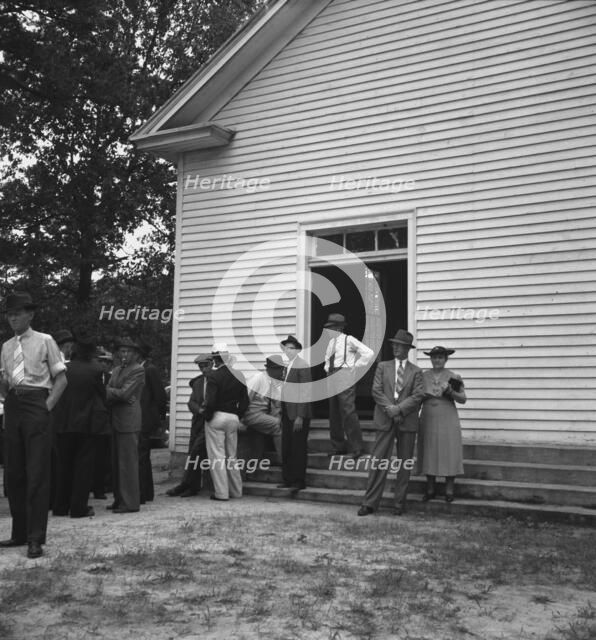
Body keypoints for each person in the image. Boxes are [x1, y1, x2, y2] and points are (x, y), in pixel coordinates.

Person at [0, 292, 67, 558]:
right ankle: (19, 532)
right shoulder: (5, 347)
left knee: (37, 472)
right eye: (9, 313)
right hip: (14, 406)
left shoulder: (45, 341)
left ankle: (35, 537)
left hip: (37, 403)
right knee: (14, 473)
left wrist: (45, 407)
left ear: (30, 314)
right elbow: (5, 382)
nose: (12, 317)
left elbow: (61, 379)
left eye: (17, 313)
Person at [358, 329, 423, 517]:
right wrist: (391, 409)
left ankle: (399, 503)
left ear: (407, 348)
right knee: (378, 461)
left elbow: (418, 395)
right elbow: (376, 391)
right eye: (394, 344)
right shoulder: (383, 367)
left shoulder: (416, 371)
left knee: (404, 463)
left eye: (399, 345)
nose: (395, 347)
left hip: (407, 420)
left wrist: (400, 409)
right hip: (385, 418)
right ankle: (369, 503)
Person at [52, 330, 109, 518]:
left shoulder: (64, 368)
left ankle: (60, 506)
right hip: (86, 424)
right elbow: (102, 396)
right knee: (83, 467)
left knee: (64, 466)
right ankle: (78, 507)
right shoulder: (95, 370)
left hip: (63, 423)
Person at [417, 346, 466, 503]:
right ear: (430, 359)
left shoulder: (453, 376)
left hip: (447, 416)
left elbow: (463, 399)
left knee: (448, 450)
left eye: (440, 357)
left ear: (446, 359)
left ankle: (449, 490)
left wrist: (451, 391)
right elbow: (416, 397)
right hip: (428, 415)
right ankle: (430, 489)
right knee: (429, 449)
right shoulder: (423, 376)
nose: (437, 360)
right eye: (434, 357)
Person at [323, 313, 374, 459]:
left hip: (344, 375)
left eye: (331, 328)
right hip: (331, 376)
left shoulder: (349, 340)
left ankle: (356, 447)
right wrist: (327, 370)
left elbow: (368, 353)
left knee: (348, 411)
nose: (329, 330)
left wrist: (355, 366)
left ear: (339, 328)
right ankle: (338, 446)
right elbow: (327, 360)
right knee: (334, 412)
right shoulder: (330, 343)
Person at [203, 343, 249, 501]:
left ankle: (221, 493)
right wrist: (238, 415)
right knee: (232, 456)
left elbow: (210, 402)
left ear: (215, 360)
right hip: (233, 418)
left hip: (217, 417)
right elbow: (245, 402)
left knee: (218, 457)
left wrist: (207, 417)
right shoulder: (239, 375)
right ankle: (236, 491)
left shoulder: (213, 376)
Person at [106, 337, 145, 513]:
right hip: (116, 419)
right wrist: (116, 393)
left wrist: (113, 392)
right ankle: (119, 499)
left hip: (129, 421)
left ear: (136, 354)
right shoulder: (115, 370)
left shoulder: (138, 369)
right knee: (116, 463)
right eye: (122, 351)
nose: (124, 354)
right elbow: (112, 392)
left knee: (128, 464)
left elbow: (124, 393)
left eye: (128, 351)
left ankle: (130, 503)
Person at [166, 353, 213, 497]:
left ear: (212, 364)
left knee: (195, 452)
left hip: (212, 421)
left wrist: (208, 410)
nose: (203, 369)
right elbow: (191, 402)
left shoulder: (218, 379)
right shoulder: (198, 382)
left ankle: (186, 484)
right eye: (201, 367)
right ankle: (192, 485)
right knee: (192, 451)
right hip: (198, 421)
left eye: (206, 366)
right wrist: (199, 410)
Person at [278, 335, 312, 490]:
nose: (289, 350)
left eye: (292, 348)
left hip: (298, 412)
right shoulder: (287, 366)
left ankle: (299, 481)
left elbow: (305, 391)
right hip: (286, 411)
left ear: (298, 350)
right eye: (287, 348)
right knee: (287, 446)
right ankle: (288, 479)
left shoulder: (302, 365)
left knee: (298, 447)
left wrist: (300, 416)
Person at [137, 339, 167, 505]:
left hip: (146, 418)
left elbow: (160, 395)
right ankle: (146, 491)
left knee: (141, 455)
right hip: (143, 417)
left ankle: (143, 491)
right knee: (143, 456)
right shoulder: (142, 369)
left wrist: (160, 417)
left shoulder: (150, 370)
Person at [243, 356, 284, 461]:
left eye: (281, 369)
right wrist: (240, 419)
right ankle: (282, 460)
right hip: (251, 413)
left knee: (282, 419)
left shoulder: (274, 381)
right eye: (279, 369)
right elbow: (245, 398)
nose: (281, 372)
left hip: (264, 413)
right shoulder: (258, 379)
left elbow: (277, 402)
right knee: (277, 425)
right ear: (270, 369)